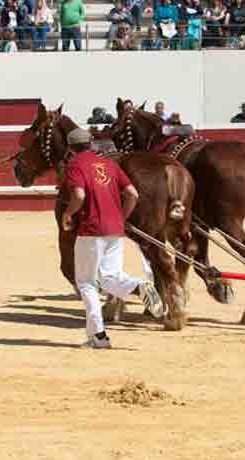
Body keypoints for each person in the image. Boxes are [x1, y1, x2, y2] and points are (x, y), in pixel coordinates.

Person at [60, 128, 163, 348]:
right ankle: (139, 287)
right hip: (115, 230)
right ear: (91, 144)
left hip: (91, 230)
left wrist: (68, 213)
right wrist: (121, 217)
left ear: (70, 148)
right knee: (109, 277)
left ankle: (98, 336)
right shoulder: (109, 164)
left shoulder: (75, 165)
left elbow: (79, 195)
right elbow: (133, 194)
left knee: (86, 283)